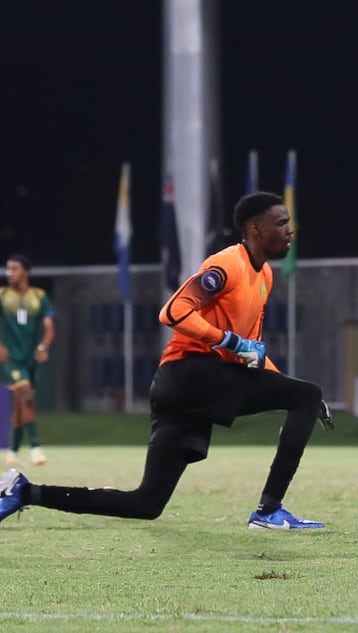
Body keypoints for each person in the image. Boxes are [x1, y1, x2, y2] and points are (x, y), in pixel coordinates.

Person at [1, 192, 333, 529]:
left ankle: (25, 492)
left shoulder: (264, 277)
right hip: (193, 374)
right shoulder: (227, 264)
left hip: (182, 387)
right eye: (282, 222)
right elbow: (172, 311)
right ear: (256, 229)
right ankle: (269, 511)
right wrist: (293, 388)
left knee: (146, 503)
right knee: (306, 394)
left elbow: (253, 354)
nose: (290, 230)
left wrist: (296, 391)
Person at [1, 255, 55, 467]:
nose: (9, 273)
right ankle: (36, 448)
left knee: (20, 402)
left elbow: (49, 327)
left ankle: (13, 450)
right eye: (8, 269)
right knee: (26, 395)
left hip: (31, 358)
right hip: (11, 358)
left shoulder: (39, 296)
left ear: (26, 272)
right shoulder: (3, 295)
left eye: (14, 269)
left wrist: (43, 346)